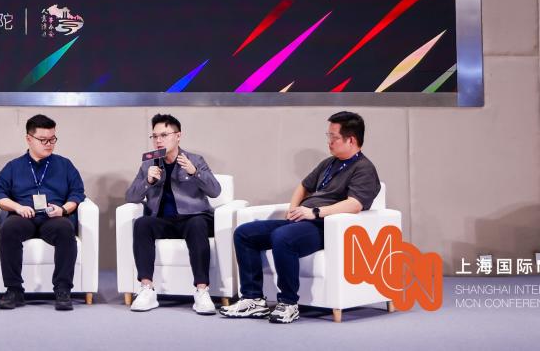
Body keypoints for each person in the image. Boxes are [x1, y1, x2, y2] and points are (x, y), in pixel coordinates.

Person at [221, 111, 381, 324]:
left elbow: (354, 204)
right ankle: (253, 299)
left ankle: (288, 303)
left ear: (351, 140)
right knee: (245, 233)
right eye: (328, 136)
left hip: (325, 227)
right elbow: (304, 186)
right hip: (302, 221)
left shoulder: (364, 169)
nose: (329, 141)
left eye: (333, 137)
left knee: (282, 237)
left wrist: (314, 212)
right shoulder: (329, 163)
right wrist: (293, 209)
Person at [125, 114, 222, 315]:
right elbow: (131, 196)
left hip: (193, 217)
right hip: (163, 221)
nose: (158, 140)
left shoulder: (195, 159)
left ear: (178, 136)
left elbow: (215, 191)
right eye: (155, 136)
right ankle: (146, 289)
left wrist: (195, 172)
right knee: (142, 224)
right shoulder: (149, 162)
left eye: (164, 135)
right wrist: (147, 182)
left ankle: (202, 291)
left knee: (197, 224)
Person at [0, 114, 87, 311]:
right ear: (29, 139)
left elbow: (77, 193)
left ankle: (63, 290)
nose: (49, 144)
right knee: (9, 229)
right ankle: (14, 290)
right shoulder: (14, 166)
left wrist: (63, 209)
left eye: (52, 139)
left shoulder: (65, 165)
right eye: (43, 140)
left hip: (54, 217)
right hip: (24, 216)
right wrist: (17, 207)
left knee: (65, 229)